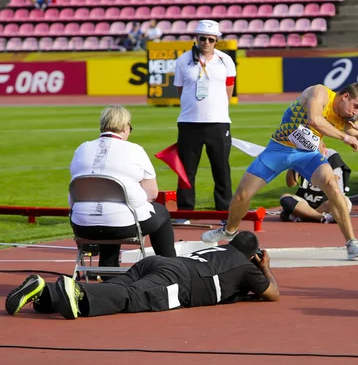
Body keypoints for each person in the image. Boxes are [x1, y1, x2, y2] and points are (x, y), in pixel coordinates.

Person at [203, 83, 358, 260]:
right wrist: (345, 136)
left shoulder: (341, 119)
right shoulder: (321, 93)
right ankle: (229, 231)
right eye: (356, 106)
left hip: (307, 155)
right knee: (242, 195)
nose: (355, 112)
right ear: (345, 96)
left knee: (332, 185)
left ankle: (351, 242)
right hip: (278, 150)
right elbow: (314, 119)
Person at [5, 231, 279, 319]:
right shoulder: (247, 269)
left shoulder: (219, 249)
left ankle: (45, 291)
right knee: (130, 297)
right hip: (181, 282)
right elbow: (273, 294)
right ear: (253, 254)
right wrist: (264, 266)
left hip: (162, 263)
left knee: (121, 286)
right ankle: (74, 291)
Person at [69, 105, 176, 270]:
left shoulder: (82, 148)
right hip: (123, 225)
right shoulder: (135, 150)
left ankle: (106, 268)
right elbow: (152, 193)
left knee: (112, 209)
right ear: (125, 127)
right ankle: (170, 269)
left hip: (82, 225)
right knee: (159, 212)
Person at [173, 20, 237, 220]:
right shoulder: (183, 61)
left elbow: (229, 90)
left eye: (211, 39)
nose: (206, 42)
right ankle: (184, 211)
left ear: (216, 40)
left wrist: (217, 109)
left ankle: (224, 211)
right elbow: (180, 89)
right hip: (189, 122)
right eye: (203, 38)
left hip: (218, 122)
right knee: (186, 171)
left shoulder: (225, 60)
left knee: (221, 170)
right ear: (196, 38)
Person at [279, 141, 352, 223]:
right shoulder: (304, 157)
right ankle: (320, 217)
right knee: (285, 198)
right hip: (306, 202)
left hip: (327, 201)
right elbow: (291, 184)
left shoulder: (332, 156)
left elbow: (332, 184)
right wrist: (292, 165)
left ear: (323, 146)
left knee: (344, 203)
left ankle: (304, 215)